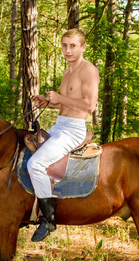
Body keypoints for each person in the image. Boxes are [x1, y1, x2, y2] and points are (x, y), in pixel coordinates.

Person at [28, 28, 100, 242]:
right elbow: (67, 104)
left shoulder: (89, 70)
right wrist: (48, 102)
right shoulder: (68, 71)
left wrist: (59, 97)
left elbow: (89, 106)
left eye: (73, 46)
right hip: (60, 125)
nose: (67, 50)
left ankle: (49, 220)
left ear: (83, 47)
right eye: (64, 45)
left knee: (35, 164)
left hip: (74, 130)